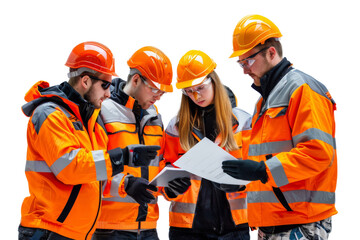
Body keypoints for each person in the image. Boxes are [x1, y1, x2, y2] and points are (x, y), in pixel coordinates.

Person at [19, 41, 159, 240]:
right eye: (105, 85)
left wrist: (125, 184)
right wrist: (121, 157)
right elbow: (71, 167)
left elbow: (93, 179)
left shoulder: (91, 123)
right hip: (48, 231)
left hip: (78, 233)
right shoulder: (50, 114)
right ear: (85, 81)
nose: (109, 94)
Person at [222, 14, 337, 240]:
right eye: (241, 63)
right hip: (272, 224)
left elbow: (318, 152)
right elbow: (264, 159)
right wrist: (240, 183)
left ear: (271, 53)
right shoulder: (265, 101)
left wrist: (262, 171)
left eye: (248, 61)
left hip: (301, 223)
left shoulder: (303, 90)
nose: (245, 70)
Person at [92, 46, 191, 240]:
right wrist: (125, 184)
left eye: (162, 92)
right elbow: (91, 168)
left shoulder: (154, 116)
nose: (158, 96)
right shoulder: (102, 111)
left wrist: (169, 187)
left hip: (148, 229)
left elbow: (157, 166)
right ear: (136, 79)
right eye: (155, 89)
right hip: (109, 230)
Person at [163, 50, 252, 240]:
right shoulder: (176, 127)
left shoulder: (243, 123)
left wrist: (241, 186)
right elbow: (164, 169)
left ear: (214, 80)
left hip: (234, 228)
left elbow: (260, 171)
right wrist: (169, 190)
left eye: (200, 87)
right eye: (188, 91)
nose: (195, 96)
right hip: (187, 230)